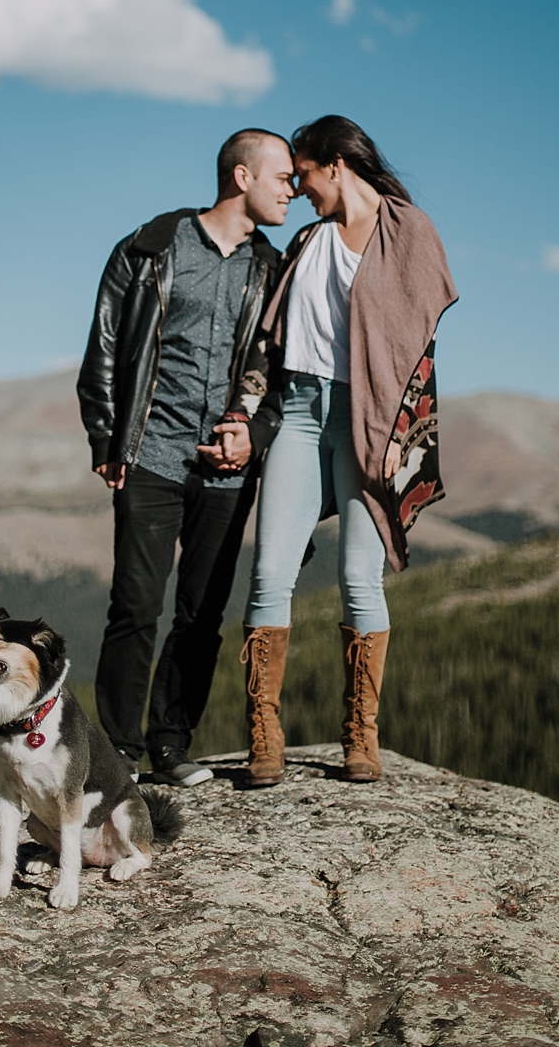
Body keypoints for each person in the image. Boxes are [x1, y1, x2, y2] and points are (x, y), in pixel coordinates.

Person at [210, 115, 457, 787]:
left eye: (304, 174)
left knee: (358, 578)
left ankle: (361, 736)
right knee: (270, 573)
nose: (297, 188)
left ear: (335, 165)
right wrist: (242, 411)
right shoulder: (308, 242)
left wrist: (403, 438)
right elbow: (267, 340)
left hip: (369, 422)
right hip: (296, 412)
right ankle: (263, 736)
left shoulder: (408, 231)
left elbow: (420, 345)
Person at [77, 129, 295, 786]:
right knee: (134, 608)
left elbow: (286, 375)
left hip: (226, 469)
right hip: (149, 455)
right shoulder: (150, 249)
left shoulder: (273, 272)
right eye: (282, 176)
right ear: (241, 177)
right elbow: (106, 343)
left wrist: (252, 439)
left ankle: (171, 743)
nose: (293, 190)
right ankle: (115, 754)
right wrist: (104, 436)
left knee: (201, 615)